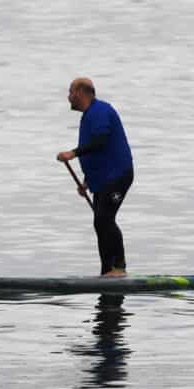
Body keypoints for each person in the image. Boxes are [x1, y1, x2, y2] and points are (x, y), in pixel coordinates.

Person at [57, 77, 133, 276]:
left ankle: (119, 267)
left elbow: (101, 141)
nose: (68, 97)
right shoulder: (89, 116)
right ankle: (107, 271)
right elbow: (96, 154)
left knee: (104, 218)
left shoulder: (100, 111)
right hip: (103, 179)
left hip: (117, 175)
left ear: (81, 92)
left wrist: (72, 153)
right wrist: (86, 182)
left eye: (71, 92)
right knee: (100, 222)